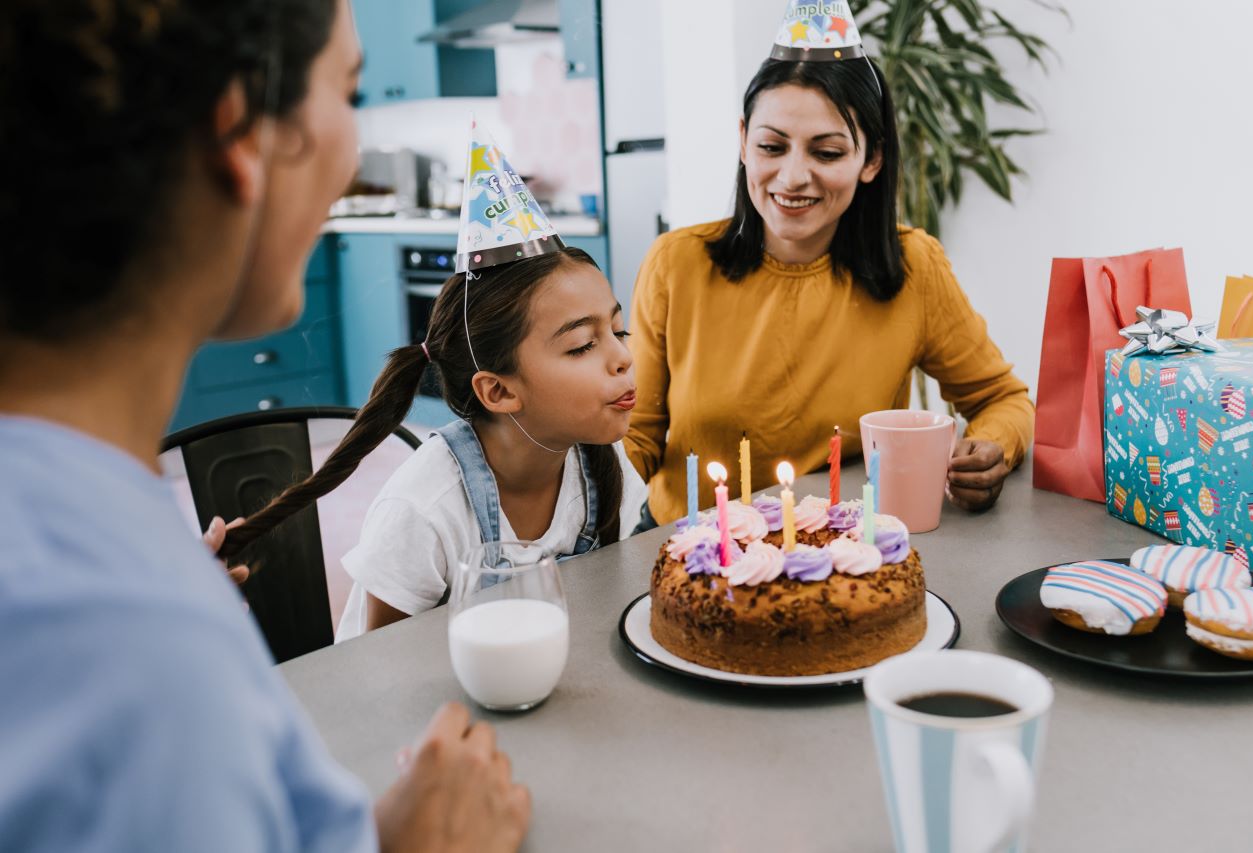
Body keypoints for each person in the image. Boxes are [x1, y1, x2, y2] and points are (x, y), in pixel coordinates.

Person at [0, 1, 527, 850]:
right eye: (346, 94)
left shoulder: (88, 560)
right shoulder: (125, 636)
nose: (352, 150)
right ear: (239, 133)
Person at [214, 131, 646, 640]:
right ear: (499, 391)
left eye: (617, 331)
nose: (623, 358)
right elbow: (387, 670)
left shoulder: (602, 465)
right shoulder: (424, 510)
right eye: (581, 346)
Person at [624, 7, 1034, 527]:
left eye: (828, 152)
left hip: (839, 547)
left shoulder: (915, 267)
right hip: (690, 543)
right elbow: (635, 433)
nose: (793, 177)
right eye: (771, 146)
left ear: (871, 160)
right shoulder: (675, 264)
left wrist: (989, 451)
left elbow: (1003, 399)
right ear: (743, 140)